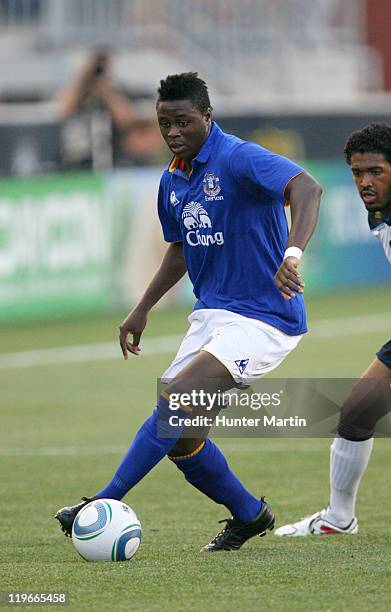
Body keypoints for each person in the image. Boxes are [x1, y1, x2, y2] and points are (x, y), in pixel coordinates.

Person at [55, 72, 322, 551]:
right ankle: (248, 514)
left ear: (207, 117)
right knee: (182, 436)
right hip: (212, 315)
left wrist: (292, 254)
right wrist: (142, 309)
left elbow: (307, 189)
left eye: (183, 122)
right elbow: (179, 249)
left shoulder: (239, 157)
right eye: (164, 123)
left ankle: (99, 502)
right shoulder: (172, 179)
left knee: (174, 401)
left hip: (264, 317)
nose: (173, 132)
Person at [275, 122, 391, 537]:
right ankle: (338, 519)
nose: (364, 182)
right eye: (357, 173)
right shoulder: (381, 208)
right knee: (357, 410)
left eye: (375, 172)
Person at [57, 50, 165, 170]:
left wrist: (105, 88)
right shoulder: (79, 94)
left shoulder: (118, 93)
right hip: (78, 157)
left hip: (112, 159)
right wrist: (83, 76)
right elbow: (63, 109)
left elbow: (125, 119)